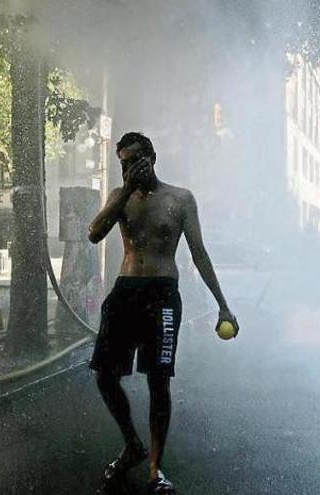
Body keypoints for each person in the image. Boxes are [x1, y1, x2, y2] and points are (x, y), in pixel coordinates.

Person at [87, 132, 238, 494]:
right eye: (123, 162)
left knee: (158, 381)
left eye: (136, 159)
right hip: (126, 291)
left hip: (163, 295)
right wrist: (125, 189)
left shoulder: (180, 198)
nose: (130, 166)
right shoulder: (118, 197)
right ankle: (132, 445)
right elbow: (94, 233)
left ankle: (155, 468)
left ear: (152, 158)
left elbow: (199, 253)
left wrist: (222, 303)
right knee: (105, 375)